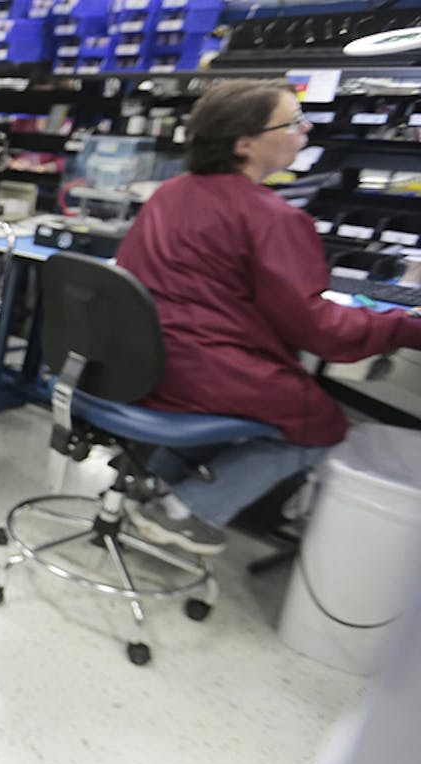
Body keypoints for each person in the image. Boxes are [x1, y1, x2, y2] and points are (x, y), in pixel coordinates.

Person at [115, 79, 421, 556]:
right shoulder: (272, 218)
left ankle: (156, 486)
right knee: (321, 423)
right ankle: (184, 511)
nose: (307, 128)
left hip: (143, 362)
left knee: (255, 407)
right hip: (206, 371)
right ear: (244, 143)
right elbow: (320, 330)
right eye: (294, 122)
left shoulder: (170, 193)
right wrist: (406, 327)